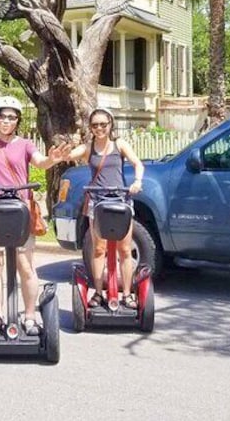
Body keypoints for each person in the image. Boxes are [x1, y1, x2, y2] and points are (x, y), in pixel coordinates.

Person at [0, 96, 71, 336]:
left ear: (17, 121)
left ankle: (31, 317)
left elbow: (41, 162)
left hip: (20, 210)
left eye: (11, 117)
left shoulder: (25, 144)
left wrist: (52, 160)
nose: (6, 121)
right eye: (2, 116)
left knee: (25, 265)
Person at [66, 107, 144, 309]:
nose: (99, 128)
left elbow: (138, 164)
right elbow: (67, 156)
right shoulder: (88, 148)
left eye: (103, 124)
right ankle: (99, 293)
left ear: (110, 124)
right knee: (99, 249)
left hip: (120, 200)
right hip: (97, 202)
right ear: (90, 128)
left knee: (125, 249)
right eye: (95, 125)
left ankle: (126, 294)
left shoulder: (120, 144)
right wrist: (63, 151)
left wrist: (137, 181)